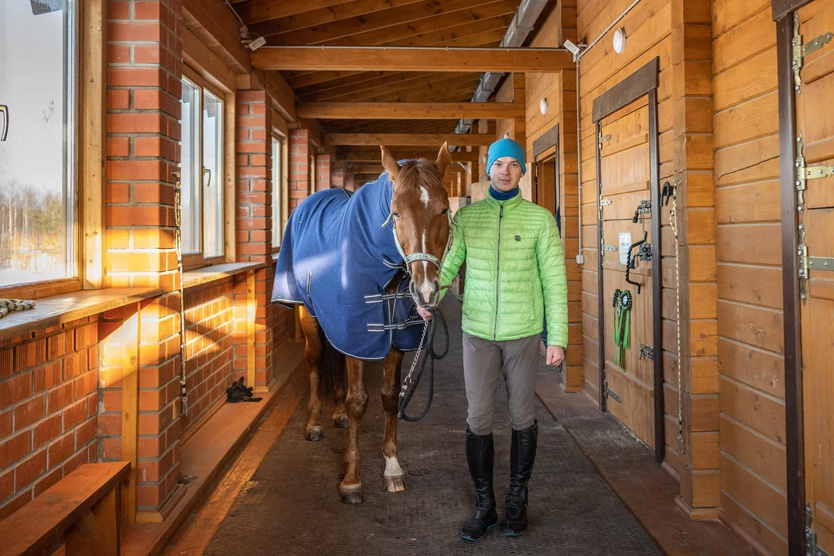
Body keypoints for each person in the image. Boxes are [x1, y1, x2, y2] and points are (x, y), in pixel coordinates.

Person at [417, 137, 567, 541]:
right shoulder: (467, 220)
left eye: (513, 165)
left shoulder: (539, 220)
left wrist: (558, 338)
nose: (505, 170)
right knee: (478, 418)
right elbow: (448, 267)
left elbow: (554, 281)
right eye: (498, 163)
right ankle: (485, 507)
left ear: (522, 172)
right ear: (488, 170)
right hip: (478, 334)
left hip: (523, 333)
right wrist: (431, 296)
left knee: (522, 417)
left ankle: (517, 500)